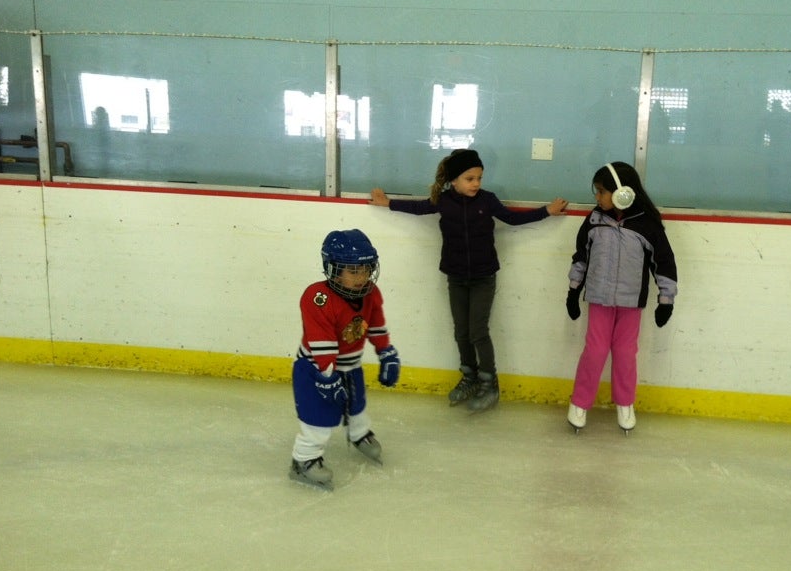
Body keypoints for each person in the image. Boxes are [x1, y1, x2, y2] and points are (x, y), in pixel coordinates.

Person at [370, 148, 567, 413]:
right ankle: (470, 377)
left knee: (478, 331)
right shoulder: (442, 200)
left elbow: (512, 218)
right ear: (454, 180)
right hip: (456, 277)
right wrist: (388, 203)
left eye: (479, 178)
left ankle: (490, 383)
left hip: (484, 277)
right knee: (461, 331)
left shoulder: (487, 200)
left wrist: (546, 211)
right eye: (470, 178)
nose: (476, 183)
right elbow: (417, 208)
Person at [565, 161, 677, 434]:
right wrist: (573, 289)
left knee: (626, 353)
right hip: (599, 299)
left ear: (621, 193)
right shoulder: (593, 221)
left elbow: (664, 263)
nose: (597, 197)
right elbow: (581, 256)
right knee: (596, 350)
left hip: (630, 302)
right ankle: (580, 403)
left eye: (601, 191)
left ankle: (625, 403)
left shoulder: (647, 225)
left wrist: (666, 300)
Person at [289, 228, 401, 490]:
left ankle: (359, 434)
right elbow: (322, 342)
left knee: (357, 405)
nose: (361, 277)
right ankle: (303, 461)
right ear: (333, 269)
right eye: (353, 271)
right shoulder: (317, 298)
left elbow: (375, 324)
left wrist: (386, 352)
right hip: (315, 369)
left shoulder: (371, 293)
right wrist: (327, 378)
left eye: (365, 269)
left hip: (351, 367)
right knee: (318, 418)